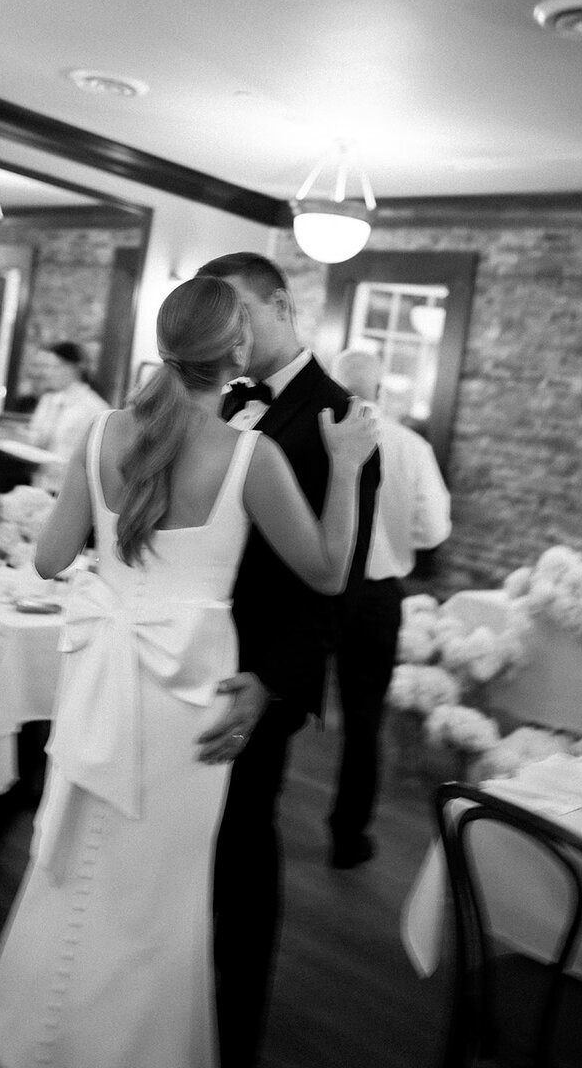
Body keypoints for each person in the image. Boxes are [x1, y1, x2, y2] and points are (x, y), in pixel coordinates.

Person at [0, 276, 377, 1068]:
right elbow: (328, 571)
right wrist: (350, 466)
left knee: (75, 864)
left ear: (162, 345)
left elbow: (50, 560)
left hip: (102, 678)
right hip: (186, 693)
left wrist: (118, 571)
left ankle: (43, 1039)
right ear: (236, 352)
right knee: (159, 891)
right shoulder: (248, 455)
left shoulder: (104, 433)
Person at [192, 253, 381, 1068]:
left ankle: (237, 1035)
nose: (229, 334)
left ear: (282, 305)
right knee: (183, 844)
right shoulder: (218, 402)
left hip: (259, 676)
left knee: (241, 853)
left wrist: (270, 683)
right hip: (182, 658)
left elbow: (330, 591)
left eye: (240, 313)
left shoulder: (340, 420)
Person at [328, 347, 452, 868]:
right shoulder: (410, 446)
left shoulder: (316, 438)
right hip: (376, 595)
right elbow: (434, 529)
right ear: (379, 391)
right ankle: (347, 837)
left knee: (283, 704)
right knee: (363, 719)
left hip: (314, 587)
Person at [22, 341, 107, 491]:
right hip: (41, 484)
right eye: (46, 367)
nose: (48, 373)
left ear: (74, 368)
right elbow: (37, 439)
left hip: (71, 489)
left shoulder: (95, 407)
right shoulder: (48, 400)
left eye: (54, 367)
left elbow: (98, 457)